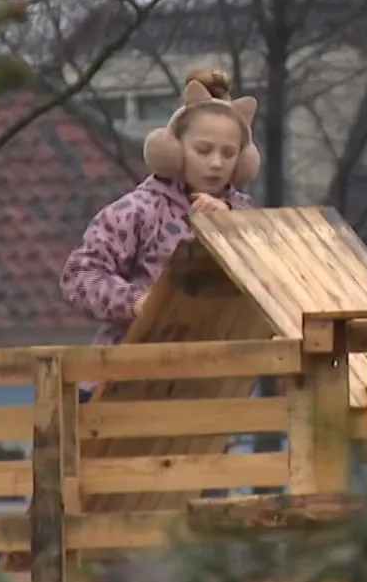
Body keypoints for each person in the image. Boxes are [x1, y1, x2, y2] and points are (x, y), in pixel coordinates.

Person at [60, 69, 260, 399]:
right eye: (203, 150)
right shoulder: (138, 210)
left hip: (208, 386)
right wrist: (138, 302)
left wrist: (230, 228)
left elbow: (269, 279)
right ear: (174, 149)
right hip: (120, 383)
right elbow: (78, 276)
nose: (216, 163)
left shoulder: (246, 219)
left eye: (228, 153)